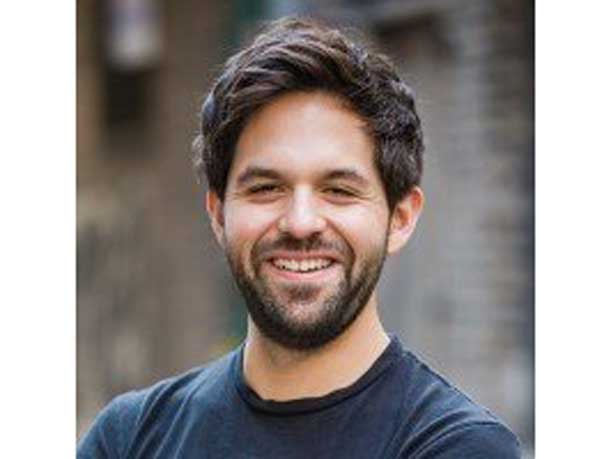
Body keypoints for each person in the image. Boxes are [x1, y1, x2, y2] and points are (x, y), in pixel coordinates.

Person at [78, 17, 521, 458]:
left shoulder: (457, 447)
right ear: (218, 214)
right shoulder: (129, 438)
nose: (301, 222)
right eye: (266, 188)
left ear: (400, 218)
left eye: (339, 191)